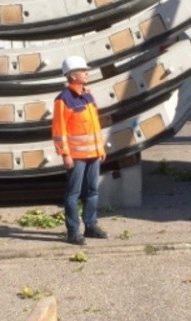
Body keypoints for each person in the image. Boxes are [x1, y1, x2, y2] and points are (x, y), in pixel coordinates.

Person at [52, 55, 108, 245]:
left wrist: (100, 148)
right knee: (73, 194)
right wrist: (65, 154)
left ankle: (91, 226)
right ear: (73, 75)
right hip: (76, 157)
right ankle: (73, 232)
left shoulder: (88, 95)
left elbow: (95, 126)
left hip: (93, 154)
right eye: (83, 71)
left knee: (92, 191)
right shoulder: (63, 100)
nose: (87, 73)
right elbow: (59, 131)